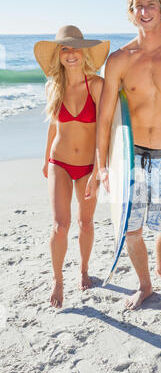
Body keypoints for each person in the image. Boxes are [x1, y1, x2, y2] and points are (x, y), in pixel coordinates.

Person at [87, 0, 161, 310]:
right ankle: (145, 284)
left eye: (151, 4)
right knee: (131, 228)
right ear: (130, 12)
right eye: (138, 5)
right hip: (130, 158)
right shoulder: (120, 60)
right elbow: (105, 119)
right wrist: (104, 165)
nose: (144, 11)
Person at [34, 25, 110, 308]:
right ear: (59, 55)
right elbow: (53, 129)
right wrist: (45, 161)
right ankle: (57, 279)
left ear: (84, 51)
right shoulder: (53, 86)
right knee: (60, 225)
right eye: (64, 48)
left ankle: (84, 270)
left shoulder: (97, 85)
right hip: (60, 163)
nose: (70, 53)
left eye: (75, 47)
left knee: (86, 222)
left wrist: (100, 169)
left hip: (89, 165)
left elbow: (104, 130)